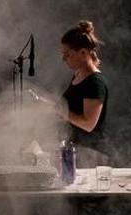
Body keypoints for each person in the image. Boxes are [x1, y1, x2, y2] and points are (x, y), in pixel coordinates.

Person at [35, 20, 110, 166]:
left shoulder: (95, 82)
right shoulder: (78, 75)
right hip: (76, 151)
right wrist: (45, 103)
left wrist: (59, 110)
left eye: (67, 54)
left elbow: (88, 124)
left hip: (91, 154)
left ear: (83, 53)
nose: (64, 59)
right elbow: (70, 110)